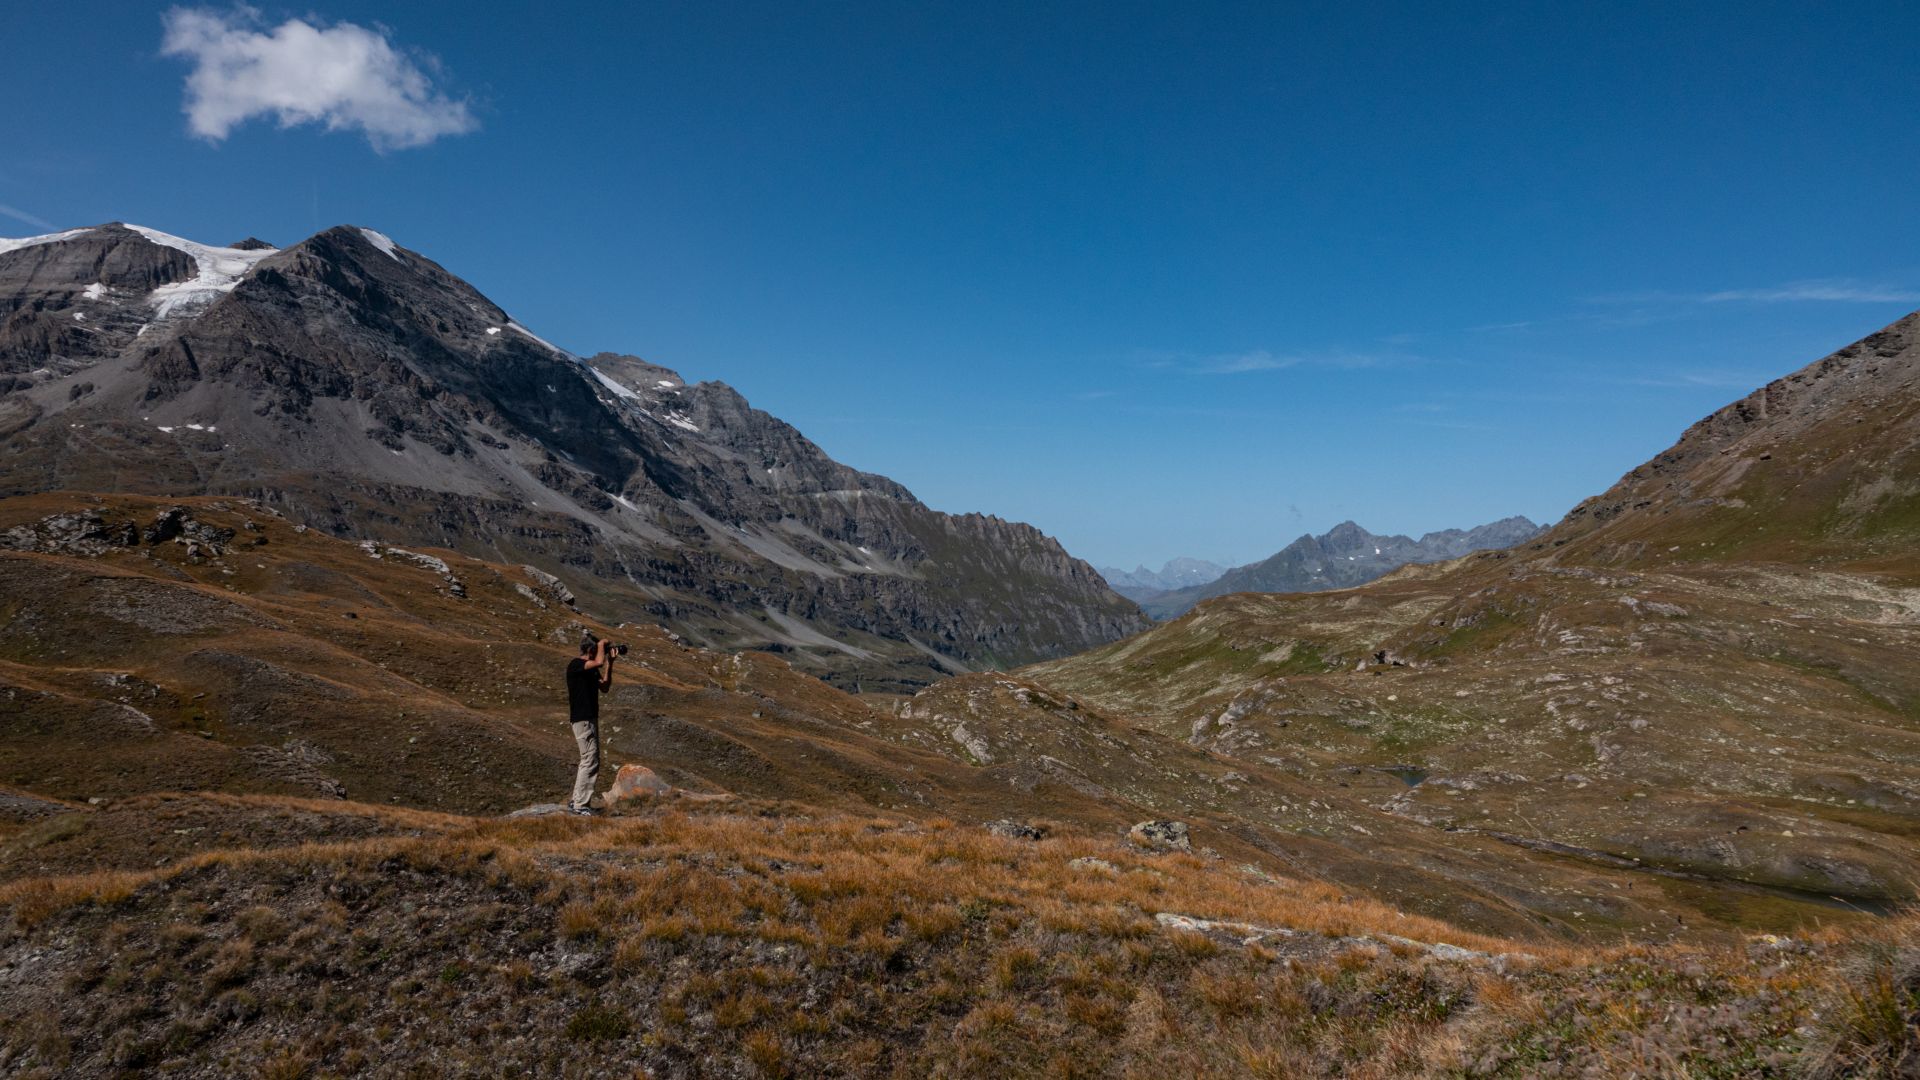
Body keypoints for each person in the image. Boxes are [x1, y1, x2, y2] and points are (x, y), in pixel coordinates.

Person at [565, 633, 616, 815]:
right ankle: (580, 805)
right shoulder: (576, 665)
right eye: (597, 650)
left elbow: (605, 687)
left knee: (589, 759)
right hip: (582, 718)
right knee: (589, 759)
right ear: (591, 650)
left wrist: (611, 662)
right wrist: (602, 643)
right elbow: (598, 662)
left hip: (590, 718)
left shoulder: (591, 668)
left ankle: (577, 800)